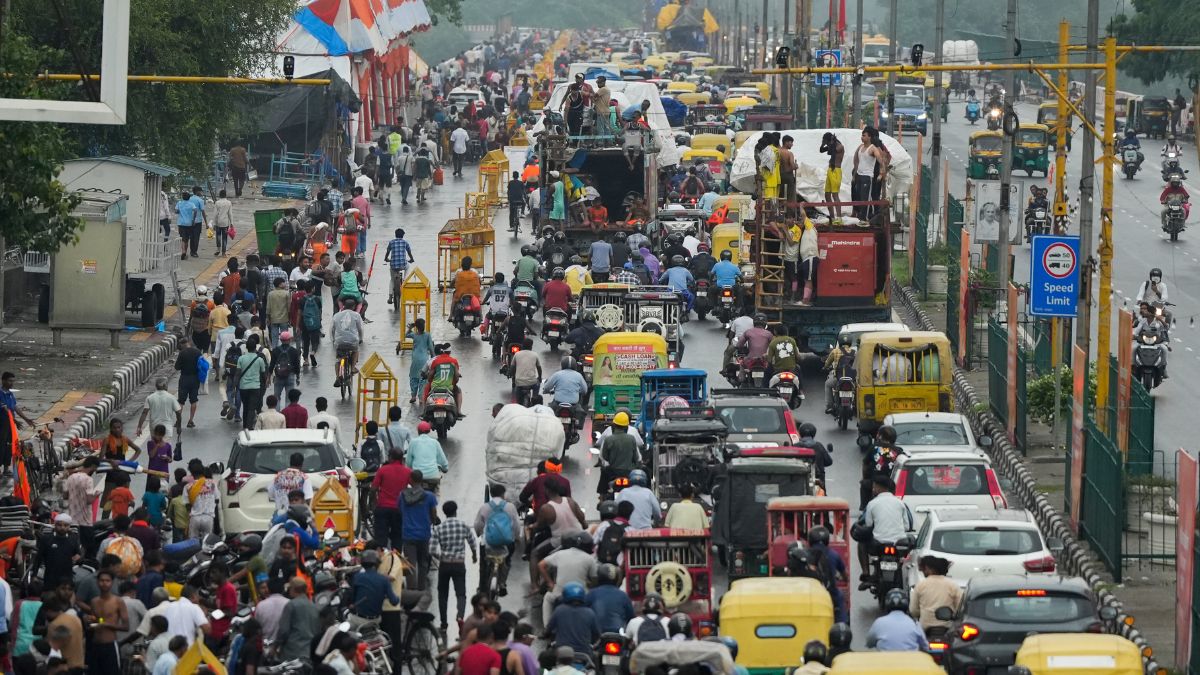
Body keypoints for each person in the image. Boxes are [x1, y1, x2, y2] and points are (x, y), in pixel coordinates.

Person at [857, 476, 914, 590]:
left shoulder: (872, 504)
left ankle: (866, 573)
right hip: (899, 544)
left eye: (874, 487)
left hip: (878, 544)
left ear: (879, 488)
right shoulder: (900, 503)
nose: (873, 489)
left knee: (861, 544)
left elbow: (868, 525)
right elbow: (907, 526)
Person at [431, 501, 477, 631]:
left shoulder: (439, 528)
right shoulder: (463, 525)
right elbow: (472, 542)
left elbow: (432, 549)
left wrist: (443, 557)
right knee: (461, 593)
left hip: (444, 565)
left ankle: (444, 624)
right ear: (455, 511)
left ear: (444, 513)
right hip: (459, 564)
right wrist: (474, 556)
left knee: (442, 594)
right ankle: (460, 617)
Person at [474, 484, 520, 596]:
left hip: (488, 543)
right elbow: (516, 525)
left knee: (483, 565)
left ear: (491, 494)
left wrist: (480, 534)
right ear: (503, 494)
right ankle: (503, 583)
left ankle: (482, 587)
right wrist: (516, 537)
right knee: (507, 561)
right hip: (506, 543)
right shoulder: (510, 507)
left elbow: (477, 525)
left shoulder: (484, 507)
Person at [398, 470, 439, 590]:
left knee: (410, 564)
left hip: (408, 534)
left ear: (410, 480)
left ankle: (411, 590)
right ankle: (421, 589)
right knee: (423, 563)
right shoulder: (429, 496)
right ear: (422, 480)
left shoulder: (402, 495)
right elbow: (434, 513)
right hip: (424, 534)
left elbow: (400, 511)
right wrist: (431, 521)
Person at [910, 555, 961, 632]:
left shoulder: (920, 585)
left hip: (925, 628)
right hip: (947, 627)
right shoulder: (952, 585)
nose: (923, 572)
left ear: (927, 568)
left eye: (923, 569)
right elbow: (960, 607)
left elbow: (913, 610)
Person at [276, 577, 320, 662]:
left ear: (294, 589)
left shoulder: (291, 605)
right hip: (309, 653)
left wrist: (275, 647)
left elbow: (283, 631)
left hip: (292, 653)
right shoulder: (314, 607)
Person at [597, 412, 640, 496]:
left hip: (612, 472)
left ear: (614, 425)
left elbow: (604, 457)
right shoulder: (631, 439)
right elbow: (636, 457)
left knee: (603, 471)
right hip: (629, 472)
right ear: (626, 426)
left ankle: (602, 497)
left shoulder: (609, 439)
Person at [851, 126, 887, 220]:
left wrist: (881, 174)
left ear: (869, 137)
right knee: (859, 197)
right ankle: (860, 216)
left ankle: (865, 218)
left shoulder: (873, 148)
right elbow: (856, 158)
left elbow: (881, 162)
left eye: (864, 135)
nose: (862, 137)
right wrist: (855, 174)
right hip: (859, 175)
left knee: (865, 198)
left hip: (867, 176)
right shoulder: (860, 147)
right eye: (862, 135)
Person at [331, 296, 365, 389]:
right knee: (356, 350)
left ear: (344, 306)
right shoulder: (356, 315)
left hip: (339, 342)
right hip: (352, 341)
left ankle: (338, 377)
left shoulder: (336, 315)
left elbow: (332, 330)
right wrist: (361, 338)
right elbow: (360, 329)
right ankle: (353, 367)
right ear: (353, 307)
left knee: (338, 360)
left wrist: (334, 340)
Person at [541, 356, 588, 422]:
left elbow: (547, 387)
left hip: (558, 403)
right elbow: (585, 390)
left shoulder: (557, 374)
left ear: (562, 365)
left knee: (549, 414)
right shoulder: (578, 376)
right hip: (574, 404)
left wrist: (546, 391)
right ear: (575, 366)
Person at [137, 378, 182, 442]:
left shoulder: (150, 397)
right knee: (166, 448)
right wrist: (179, 426)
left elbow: (144, 413)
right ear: (165, 386)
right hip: (167, 428)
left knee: (155, 446)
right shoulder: (171, 397)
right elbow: (178, 413)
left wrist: (139, 427)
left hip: (154, 427)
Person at [407, 318, 435, 402]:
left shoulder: (414, 335)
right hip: (424, 360)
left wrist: (410, 328)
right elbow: (431, 348)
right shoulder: (427, 335)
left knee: (413, 377)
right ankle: (421, 397)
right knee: (423, 379)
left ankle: (413, 396)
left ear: (416, 327)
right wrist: (434, 359)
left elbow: (406, 335)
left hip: (415, 360)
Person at [820, 132, 845, 221]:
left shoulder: (839, 146)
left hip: (836, 171)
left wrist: (831, 143)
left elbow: (831, 152)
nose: (827, 144)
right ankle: (832, 217)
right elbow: (822, 150)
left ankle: (839, 217)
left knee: (835, 195)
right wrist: (823, 144)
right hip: (830, 170)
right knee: (827, 195)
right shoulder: (832, 145)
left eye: (827, 142)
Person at [451, 256, 483, 324]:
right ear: (470, 264)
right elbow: (479, 283)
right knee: (479, 301)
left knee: (454, 299)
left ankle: (451, 315)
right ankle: (481, 316)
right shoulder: (475, 273)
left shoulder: (458, 273)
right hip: (474, 295)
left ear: (462, 264)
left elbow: (453, 282)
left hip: (461, 295)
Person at [779, 134, 798, 203]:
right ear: (786, 142)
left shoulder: (777, 151)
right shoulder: (789, 153)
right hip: (788, 176)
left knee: (780, 195)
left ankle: (780, 209)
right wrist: (796, 166)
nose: (792, 144)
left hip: (779, 176)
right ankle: (790, 211)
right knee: (791, 196)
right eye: (791, 142)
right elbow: (792, 166)